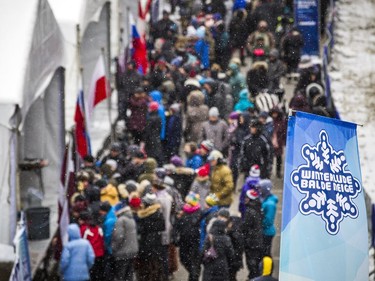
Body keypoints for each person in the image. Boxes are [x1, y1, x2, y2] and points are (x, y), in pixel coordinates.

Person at [136, 193, 166, 281]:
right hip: (157, 244)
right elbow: (162, 227)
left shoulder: (145, 216)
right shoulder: (159, 213)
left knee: (146, 268)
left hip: (146, 245)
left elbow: (141, 229)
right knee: (155, 266)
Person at [175, 192, 203, 281]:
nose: (185, 204)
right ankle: (193, 273)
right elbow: (177, 226)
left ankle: (194, 275)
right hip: (184, 241)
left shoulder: (199, 213)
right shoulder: (184, 213)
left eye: (188, 203)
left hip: (194, 242)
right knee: (184, 260)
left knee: (193, 262)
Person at [111, 204, 139, 281]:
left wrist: (113, 248)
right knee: (129, 274)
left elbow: (118, 237)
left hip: (122, 252)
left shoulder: (120, 220)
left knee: (121, 275)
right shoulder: (131, 219)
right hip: (132, 251)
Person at [242, 189, 264, 280]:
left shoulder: (249, 211)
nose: (245, 199)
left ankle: (253, 277)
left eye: (246, 197)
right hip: (258, 239)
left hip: (251, 241)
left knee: (251, 262)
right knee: (257, 260)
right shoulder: (258, 207)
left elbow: (245, 226)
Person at [78, 212, 105, 281]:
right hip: (100, 254)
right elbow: (102, 240)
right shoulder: (98, 228)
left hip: (90, 255)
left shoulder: (83, 229)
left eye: (80, 219)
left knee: (91, 274)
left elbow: (81, 243)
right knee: (98, 273)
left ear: (83, 220)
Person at [257, 179, 278, 257]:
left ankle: (267, 269)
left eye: (260, 188)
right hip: (264, 231)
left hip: (266, 232)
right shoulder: (265, 199)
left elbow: (268, 221)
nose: (259, 190)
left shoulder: (270, 204)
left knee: (266, 254)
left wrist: (258, 225)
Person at [269, 106, 287, 178]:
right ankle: (270, 171)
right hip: (272, 141)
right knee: (271, 158)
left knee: (278, 158)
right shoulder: (271, 121)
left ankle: (278, 172)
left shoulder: (281, 121)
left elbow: (284, 131)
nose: (274, 115)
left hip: (279, 142)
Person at [144, 101, 163, 166]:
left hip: (151, 139)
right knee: (157, 153)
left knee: (151, 154)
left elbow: (147, 131)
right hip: (156, 138)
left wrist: (145, 140)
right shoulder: (159, 117)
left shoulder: (150, 119)